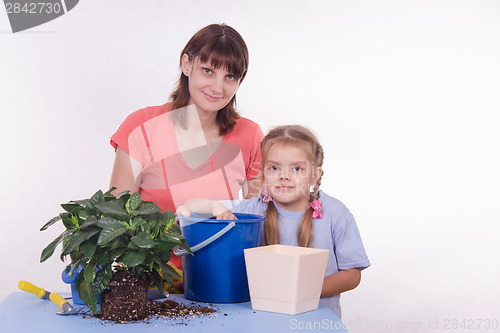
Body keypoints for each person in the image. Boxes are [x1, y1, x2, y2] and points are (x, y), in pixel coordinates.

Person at [109, 24, 264, 274]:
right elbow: (117, 214)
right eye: (208, 71)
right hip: (152, 280)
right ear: (186, 65)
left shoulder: (250, 135)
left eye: (230, 77)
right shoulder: (140, 126)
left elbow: (257, 220)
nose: (217, 87)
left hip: (220, 279)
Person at [177, 125, 370, 318]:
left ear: (314, 174)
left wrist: (299, 292)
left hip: (315, 321)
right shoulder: (253, 209)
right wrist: (215, 208)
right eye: (274, 167)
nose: (284, 175)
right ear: (263, 173)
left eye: (297, 168)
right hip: (259, 319)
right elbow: (191, 206)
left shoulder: (335, 213)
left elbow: (352, 275)